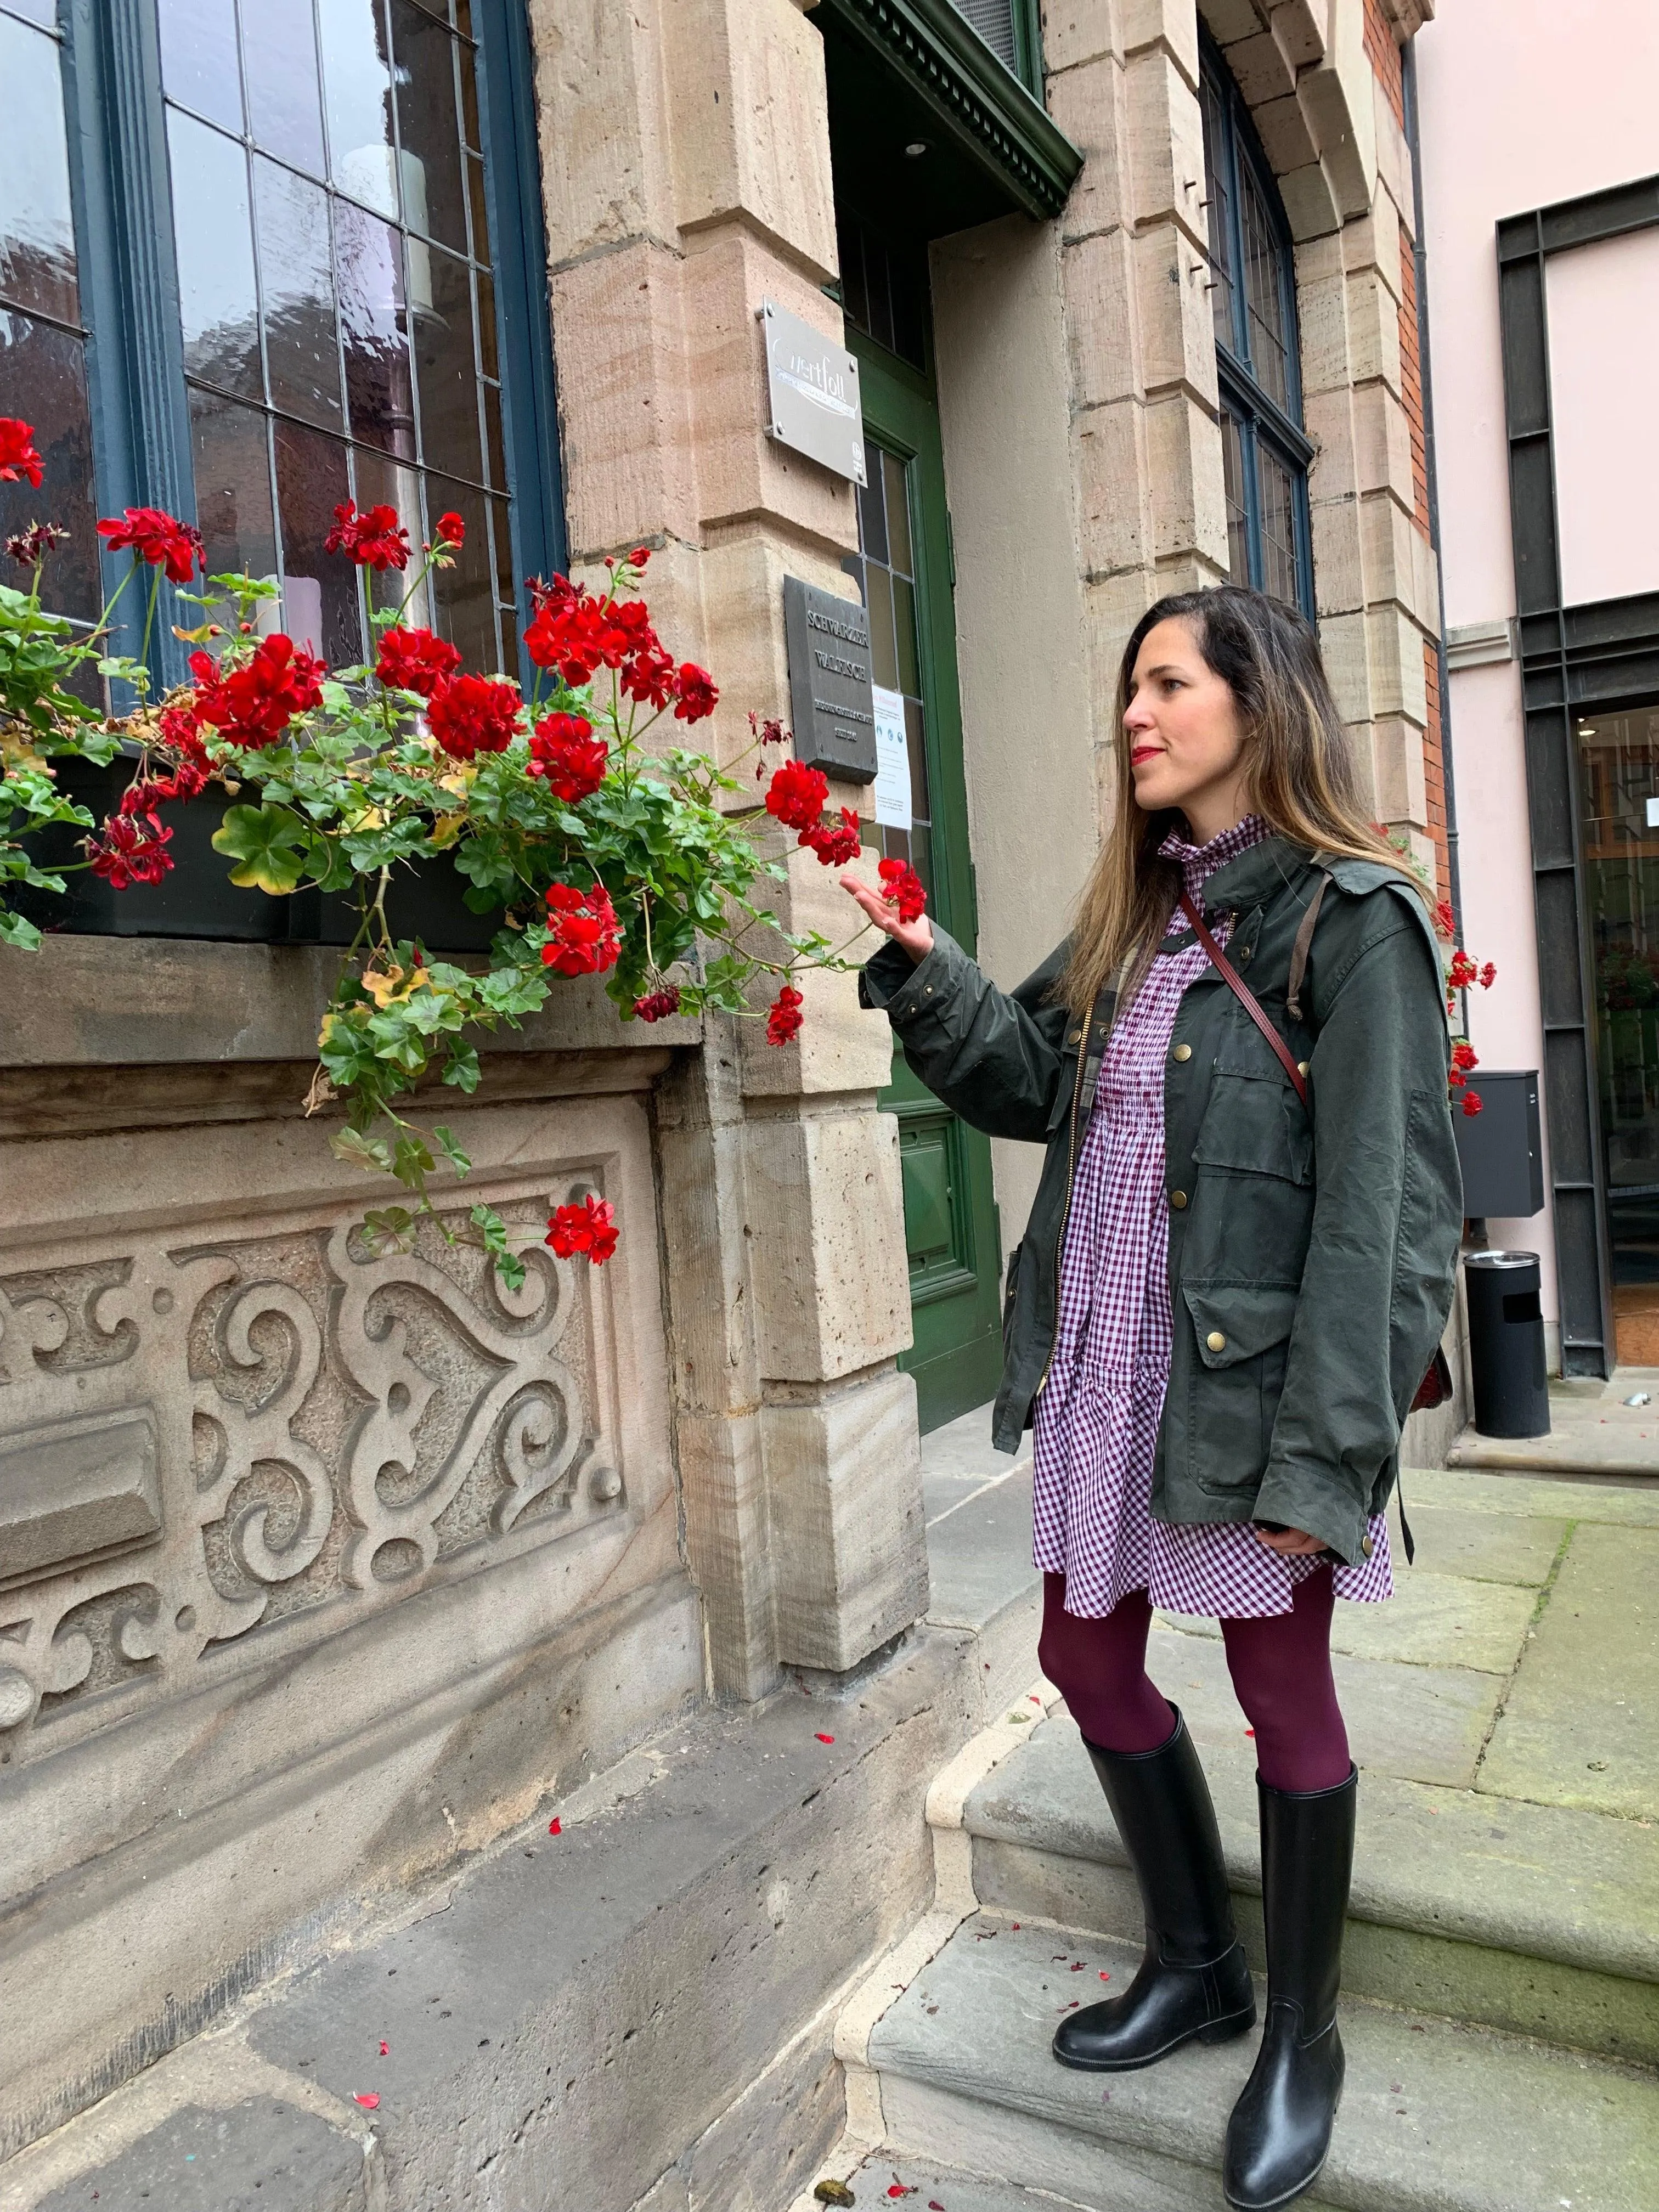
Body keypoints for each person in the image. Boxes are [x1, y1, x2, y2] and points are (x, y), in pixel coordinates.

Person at [843, 584, 1460, 2212]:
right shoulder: (1141, 913)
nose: (1135, 712)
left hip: (1255, 1388)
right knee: (1077, 1648)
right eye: (1128, 688)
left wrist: (1332, 1461)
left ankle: (1302, 2041)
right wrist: (920, 967)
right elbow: (1031, 1081)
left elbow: (1389, 1216)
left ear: (1258, 706)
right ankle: (1197, 1959)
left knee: (1283, 1688)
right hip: (1105, 1355)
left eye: (1167, 684)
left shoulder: (1353, 919)